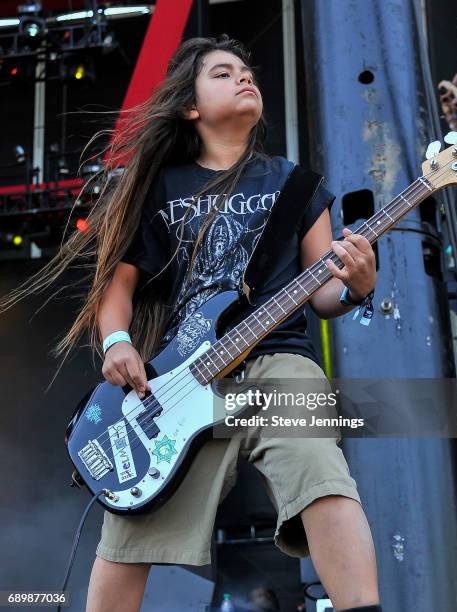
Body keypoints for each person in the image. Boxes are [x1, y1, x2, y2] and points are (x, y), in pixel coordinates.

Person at [0, 34, 381, 612]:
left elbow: (324, 292)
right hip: (186, 374)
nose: (245, 77)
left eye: (247, 71)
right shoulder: (161, 187)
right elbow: (117, 286)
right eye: (223, 73)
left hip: (279, 359)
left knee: (321, 477)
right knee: (128, 531)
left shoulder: (297, 184)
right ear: (191, 106)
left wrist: (358, 287)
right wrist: (120, 343)